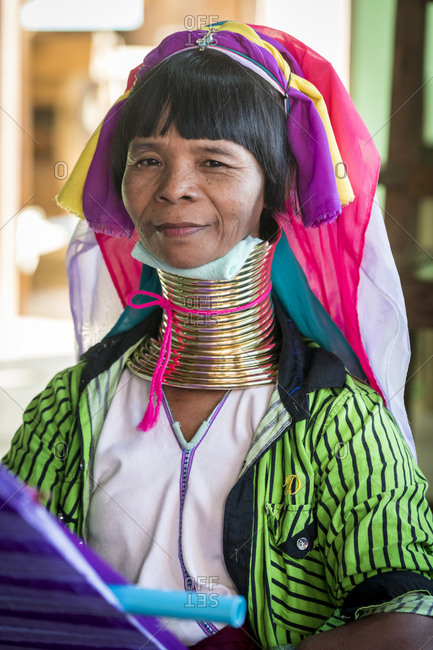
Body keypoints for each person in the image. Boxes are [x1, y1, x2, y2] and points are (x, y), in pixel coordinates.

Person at [3, 21, 433, 649]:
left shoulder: (339, 422)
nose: (174, 187)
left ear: (273, 191)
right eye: (147, 159)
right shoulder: (70, 410)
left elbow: (409, 622)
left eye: (214, 161)